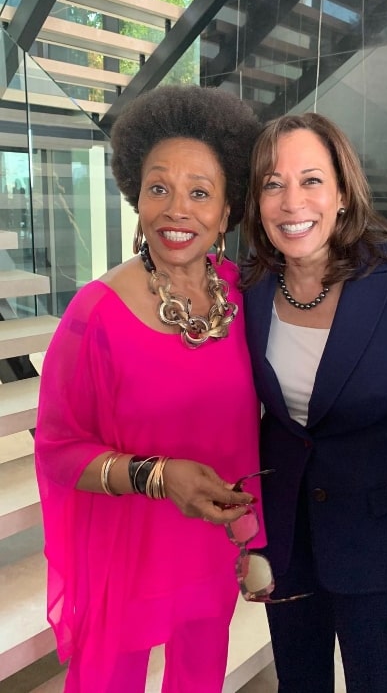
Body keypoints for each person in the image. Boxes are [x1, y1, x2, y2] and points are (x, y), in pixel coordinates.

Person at [35, 84, 265, 693]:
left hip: (209, 545)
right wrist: (158, 476)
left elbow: (250, 431)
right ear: (136, 194)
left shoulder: (244, 295)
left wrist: (254, 536)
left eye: (199, 192)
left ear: (227, 209)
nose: (176, 209)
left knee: (199, 677)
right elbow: (57, 451)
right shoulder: (96, 315)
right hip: (126, 553)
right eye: (158, 187)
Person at [241, 112, 387, 693]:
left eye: (311, 180)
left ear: (342, 192)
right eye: (273, 183)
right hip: (289, 547)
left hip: (381, 557)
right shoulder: (250, 289)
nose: (292, 201)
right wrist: (254, 538)